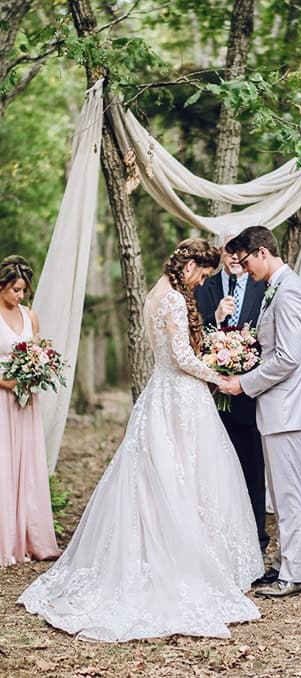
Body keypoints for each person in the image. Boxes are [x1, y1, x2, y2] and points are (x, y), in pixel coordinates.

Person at [18, 238, 263, 641]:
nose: (202, 284)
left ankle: (170, 555)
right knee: (181, 478)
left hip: (161, 393)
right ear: (190, 268)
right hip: (180, 396)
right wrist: (218, 374)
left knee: (160, 477)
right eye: (202, 276)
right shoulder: (172, 300)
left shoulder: (154, 294)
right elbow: (183, 358)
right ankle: (182, 564)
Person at [221, 226, 301, 599]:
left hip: (288, 407)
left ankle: (297, 573)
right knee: (281, 491)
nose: (244, 270)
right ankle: (284, 564)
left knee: (290, 494)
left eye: (246, 262)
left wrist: (244, 383)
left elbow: (289, 358)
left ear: (262, 252)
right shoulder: (276, 288)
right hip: (278, 407)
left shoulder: (289, 291)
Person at [195, 238, 269, 553]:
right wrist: (216, 317)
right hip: (211, 392)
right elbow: (193, 330)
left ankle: (256, 537)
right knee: (214, 466)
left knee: (252, 464)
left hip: (250, 391)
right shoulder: (203, 285)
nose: (235, 258)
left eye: (240, 253)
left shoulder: (260, 286)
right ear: (221, 252)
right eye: (228, 251)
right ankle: (216, 537)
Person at [0, 255, 59, 567]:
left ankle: (28, 535)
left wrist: (37, 370)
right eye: (14, 290)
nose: (19, 296)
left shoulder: (30, 316)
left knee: (25, 462)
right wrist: (4, 382)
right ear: (2, 286)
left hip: (25, 399)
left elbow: (37, 351)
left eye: (23, 290)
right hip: (1, 397)